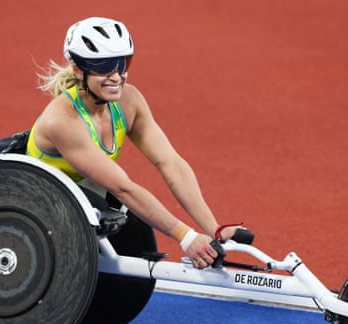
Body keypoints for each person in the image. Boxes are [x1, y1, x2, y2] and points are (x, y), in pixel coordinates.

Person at [27, 16, 240, 269]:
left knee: (131, 228)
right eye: (105, 66)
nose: (116, 76)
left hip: (87, 194)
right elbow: (123, 188)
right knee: (112, 204)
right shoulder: (61, 120)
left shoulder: (128, 101)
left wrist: (213, 230)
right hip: (41, 203)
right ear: (77, 69)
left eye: (123, 63)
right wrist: (187, 237)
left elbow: (169, 162)